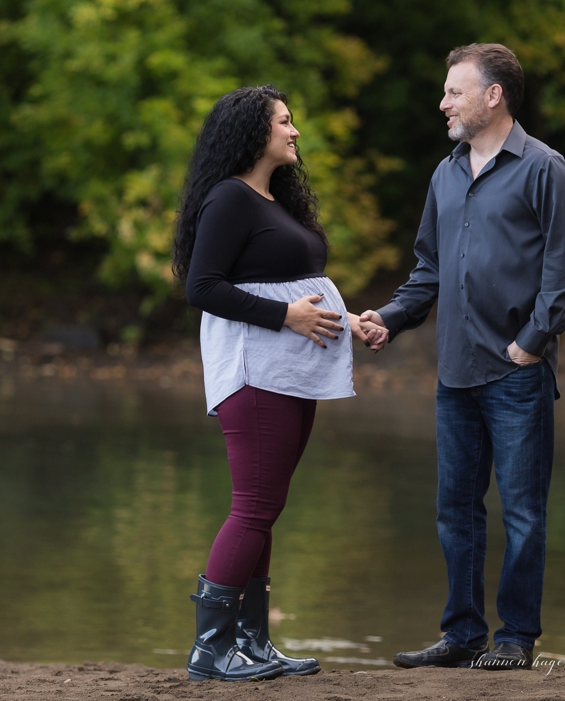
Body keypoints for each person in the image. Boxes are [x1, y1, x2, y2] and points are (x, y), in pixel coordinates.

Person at [361, 43, 565, 671]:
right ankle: (462, 635)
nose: (443, 102)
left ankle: (515, 638)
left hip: (517, 374)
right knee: (455, 510)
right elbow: (429, 269)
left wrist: (530, 346)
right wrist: (391, 318)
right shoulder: (445, 174)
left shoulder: (545, 168)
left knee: (523, 513)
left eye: (454, 91)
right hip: (454, 374)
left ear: (493, 96)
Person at [172, 85, 382, 682]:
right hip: (254, 372)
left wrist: (349, 320)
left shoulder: (274, 200)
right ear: (252, 133)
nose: (294, 132)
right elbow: (202, 288)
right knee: (255, 506)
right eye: (285, 122)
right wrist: (286, 317)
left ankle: (254, 643)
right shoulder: (229, 199)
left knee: (267, 507)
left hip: (291, 373)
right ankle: (210, 652)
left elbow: (293, 281)